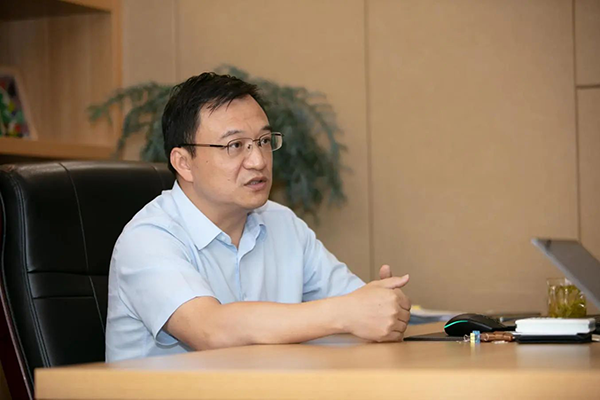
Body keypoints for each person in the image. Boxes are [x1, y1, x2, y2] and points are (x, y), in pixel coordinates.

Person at [105, 72, 411, 362]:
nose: (258, 160)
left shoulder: (281, 223)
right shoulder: (148, 238)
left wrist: (384, 306)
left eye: (264, 141)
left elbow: (358, 306)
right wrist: (345, 313)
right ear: (183, 163)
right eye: (235, 146)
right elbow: (210, 330)